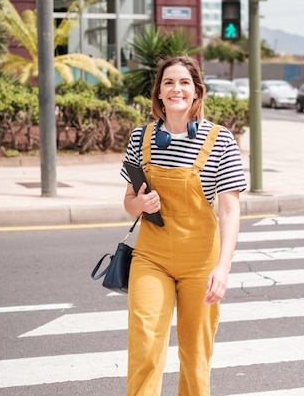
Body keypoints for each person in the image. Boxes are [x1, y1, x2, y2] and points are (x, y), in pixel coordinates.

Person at [120, 55, 247, 396]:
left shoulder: (220, 140)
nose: (176, 89)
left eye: (184, 83)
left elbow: (230, 210)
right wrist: (140, 204)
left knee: (195, 356)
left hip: (201, 261)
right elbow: (129, 201)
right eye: (169, 83)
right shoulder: (140, 138)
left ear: (196, 92)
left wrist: (223, 267)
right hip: (152, 256)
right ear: (159, 93)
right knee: (145, 344)